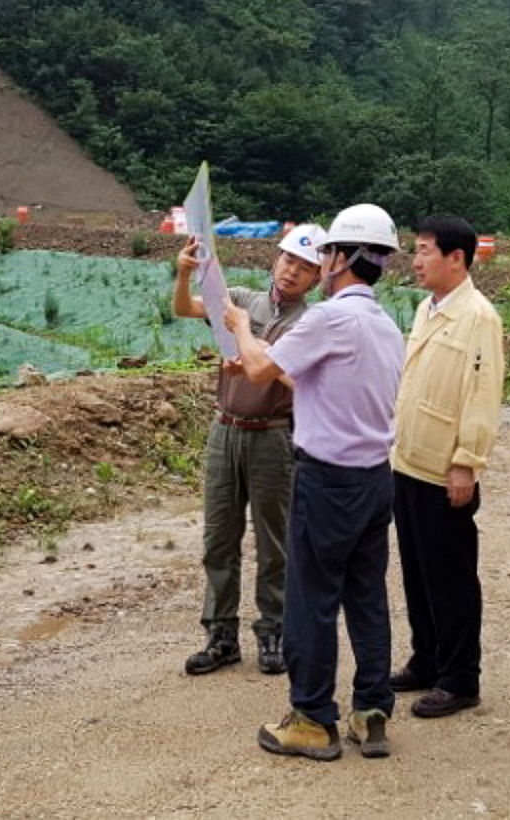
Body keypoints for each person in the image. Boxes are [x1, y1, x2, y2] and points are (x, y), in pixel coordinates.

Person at [223, 203, 406, 761]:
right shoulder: (386, 325)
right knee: (367, 597)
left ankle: (311, 718)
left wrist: (236, 325)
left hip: (329, 481)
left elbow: (260, 368)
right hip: (376, 478)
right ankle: (371, 713)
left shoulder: (329, 318)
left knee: (311, 600)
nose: (319, 260)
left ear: (342, 259)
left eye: (326, 252)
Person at [172, 223, 324, 676]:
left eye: (305, 267)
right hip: (226, 431)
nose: (292, 271)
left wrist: (256, 352)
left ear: (317, 279)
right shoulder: (241, 299)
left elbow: (304, 383)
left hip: (273, 436)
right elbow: (184, 308)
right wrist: (183, 274)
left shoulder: (310, 323)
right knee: (218, 538)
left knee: (274, 540)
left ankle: (274, 630)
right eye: (288, 260)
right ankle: (220, 636)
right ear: (274, 260)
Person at [389, 215, 504, 719]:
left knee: (451, 577)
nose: (415, 261)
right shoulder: (426, 308)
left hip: (444, 468)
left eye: (423, 250)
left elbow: (482, 397)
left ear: (456, 258)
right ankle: (427, 657)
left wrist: (466, 463)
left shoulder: (478, 317)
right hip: (409, 459)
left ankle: (460, 677)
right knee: (416, 569)